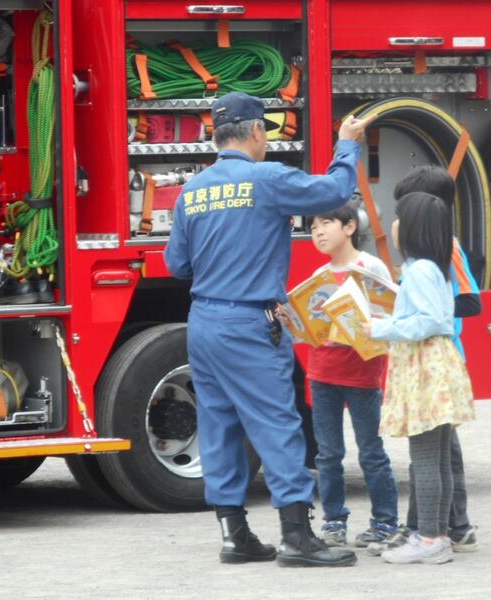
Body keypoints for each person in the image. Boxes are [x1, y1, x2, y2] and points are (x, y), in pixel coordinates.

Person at [164, 91, 374, 568]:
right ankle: (297, 537)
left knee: (218, 426)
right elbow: (334, 193)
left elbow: (177, 265)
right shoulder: (267, 178)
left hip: (204, 322)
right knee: (276, 423)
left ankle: (234, 535)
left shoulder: (192, 191)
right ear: (257, 131)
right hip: (249, 322)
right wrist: (347, 145)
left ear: (217, 135)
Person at [368, 165, 481, 556]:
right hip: (438, 365)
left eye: (400, 215)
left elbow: (434, 317)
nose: (393, 224)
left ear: (415, 227)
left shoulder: (421, 270)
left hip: (425, 370)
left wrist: (381, 328)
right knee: (438, 457)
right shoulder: (431, 266)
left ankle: (429, 536)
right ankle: (440, 532)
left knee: (427, 458)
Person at [304, 200, 399, 548]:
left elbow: (391, 311)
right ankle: (334, 521)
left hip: (362, 372)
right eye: (313, 228)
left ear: (349, 227)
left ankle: (385, 522)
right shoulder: (318, 277)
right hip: (322, 371)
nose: (318, 232)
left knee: (370, 451)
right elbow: (312, 329)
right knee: (327, 454)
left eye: (325, 224)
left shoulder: (370, 267)